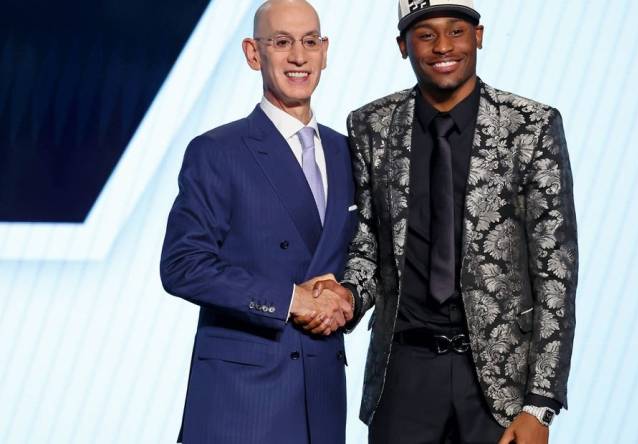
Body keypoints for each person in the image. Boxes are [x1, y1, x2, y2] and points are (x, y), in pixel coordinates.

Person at [314, 1, 578, 442]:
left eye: (456, 31)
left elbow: (556, 272)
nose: (442, 47)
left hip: (499, 384)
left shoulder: (530, 127)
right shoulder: (371, 126)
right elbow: (368, 247)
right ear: (403, 45)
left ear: (479, 36)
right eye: (426, 34)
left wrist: (541, 405)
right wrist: (344, 296)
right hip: (404, 371)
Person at [159, 1, 356, 442]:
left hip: (322, 391)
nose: (298, 56)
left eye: (309, 42)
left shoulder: (349, 153)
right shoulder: (218, 151)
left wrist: (350, 296)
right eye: (281, 42)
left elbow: (367, 255)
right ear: (253, 53)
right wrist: (290, 300)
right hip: (242, 398)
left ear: (325, 51)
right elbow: (183, 265)